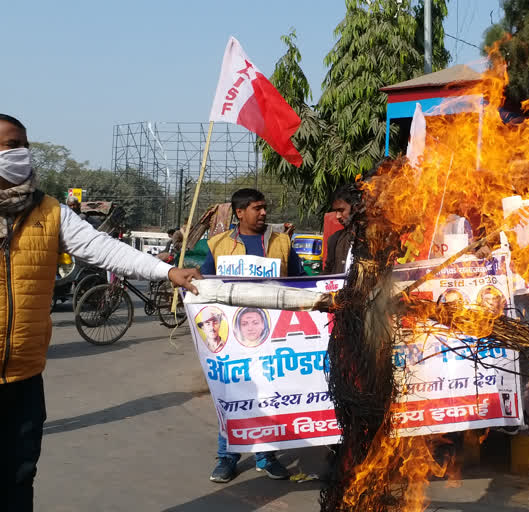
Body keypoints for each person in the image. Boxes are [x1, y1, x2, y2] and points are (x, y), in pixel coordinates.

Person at [0, 114, 201, 510]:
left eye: (20, 144)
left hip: (23, 375)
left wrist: (167, 270)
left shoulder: (49, 211)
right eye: (6, 145)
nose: (15, 153)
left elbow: (104, 248)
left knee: (20, 475)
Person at [200, 188, 304, 483]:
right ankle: (227, 458)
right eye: (257, 208)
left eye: (264, 208)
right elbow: (206, 286)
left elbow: (299, 281)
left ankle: (267, 457)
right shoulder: (217, 244)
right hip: (231, 341)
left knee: (270, 397)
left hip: (273, 338)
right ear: (239, 213)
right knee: (230, 398)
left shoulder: (282, 242)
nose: (263, 213)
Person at [323, 186, 359, 274]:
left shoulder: (373, 241)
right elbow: (327, 272)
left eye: (341, 210)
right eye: (336, 211)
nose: (337, 216)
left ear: (355, 208)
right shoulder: (334, 239)